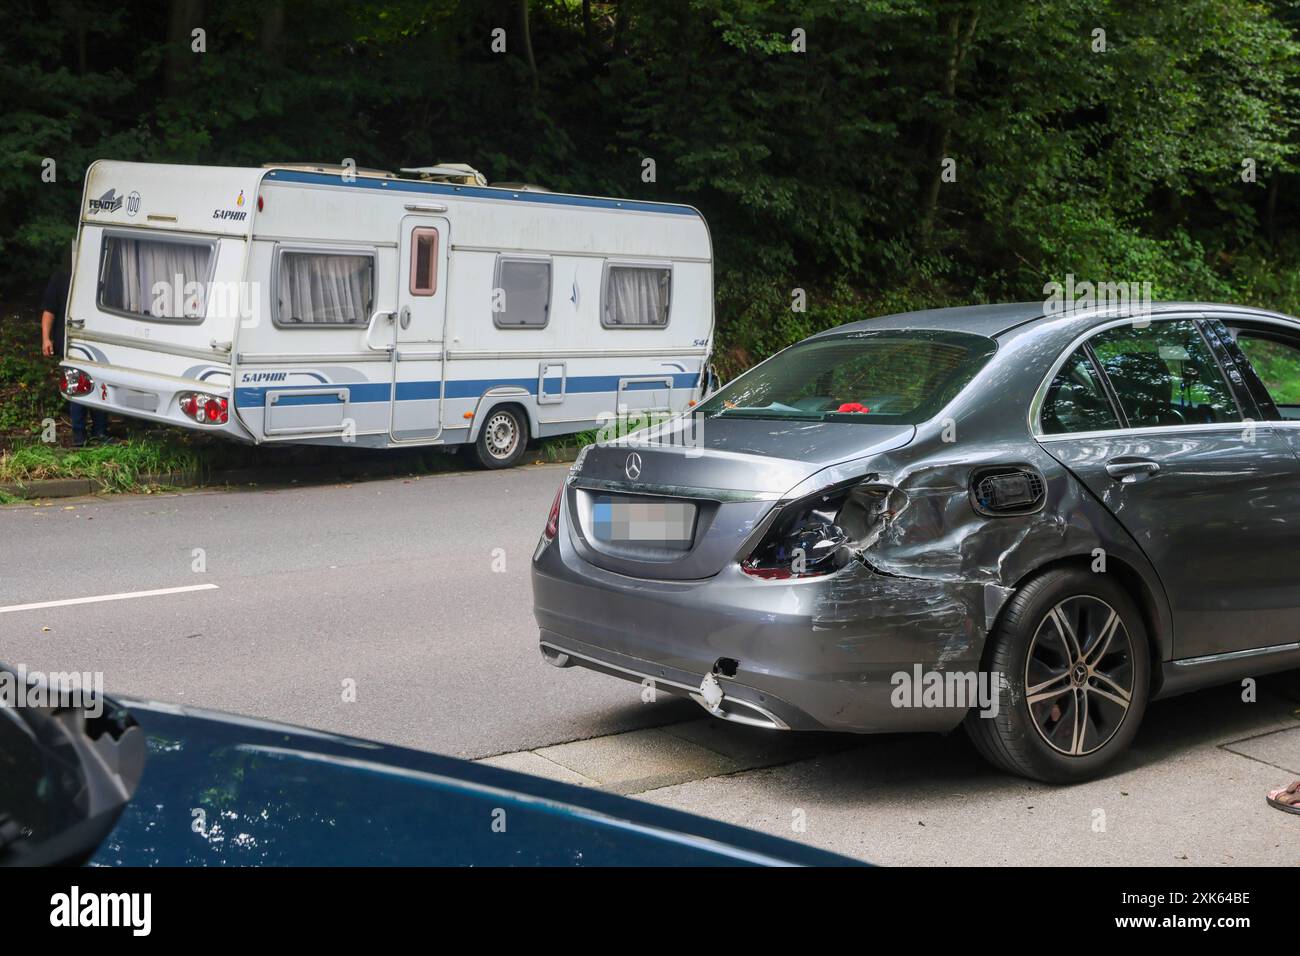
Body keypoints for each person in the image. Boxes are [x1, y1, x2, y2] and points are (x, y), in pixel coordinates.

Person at [42, 270, 108, 446]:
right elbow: (49, 311)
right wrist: (46, 338)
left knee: (99, 384)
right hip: (71, 340)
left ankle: (99, 431)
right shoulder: (62, 278)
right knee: (77, 385)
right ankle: (80, 435)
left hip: (98, 341)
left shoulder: (101, 273)